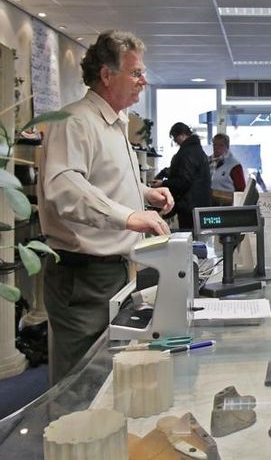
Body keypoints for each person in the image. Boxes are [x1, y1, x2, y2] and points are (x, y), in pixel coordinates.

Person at [37, 30, 174, 384]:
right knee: (78, 383)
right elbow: (65, 187)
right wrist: (128, 216)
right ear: (107, 74)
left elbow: (101, 179)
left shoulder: (113, 123)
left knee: (104, 376)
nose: (143, 81)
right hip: (83, 277)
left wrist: (144, 194)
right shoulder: (74, 120)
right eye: (136, 73)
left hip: (112, 271)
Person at [153, 123, 212, 229]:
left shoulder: (187, 152)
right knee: (195, 238)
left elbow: (184, 181)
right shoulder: (195, 150)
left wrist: (163, 183)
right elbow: (182, 170)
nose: (175, 141)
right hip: (197, 204)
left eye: (175, 137)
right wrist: (164, 173)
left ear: (181, 135)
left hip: (189, 206)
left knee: (189, 238)